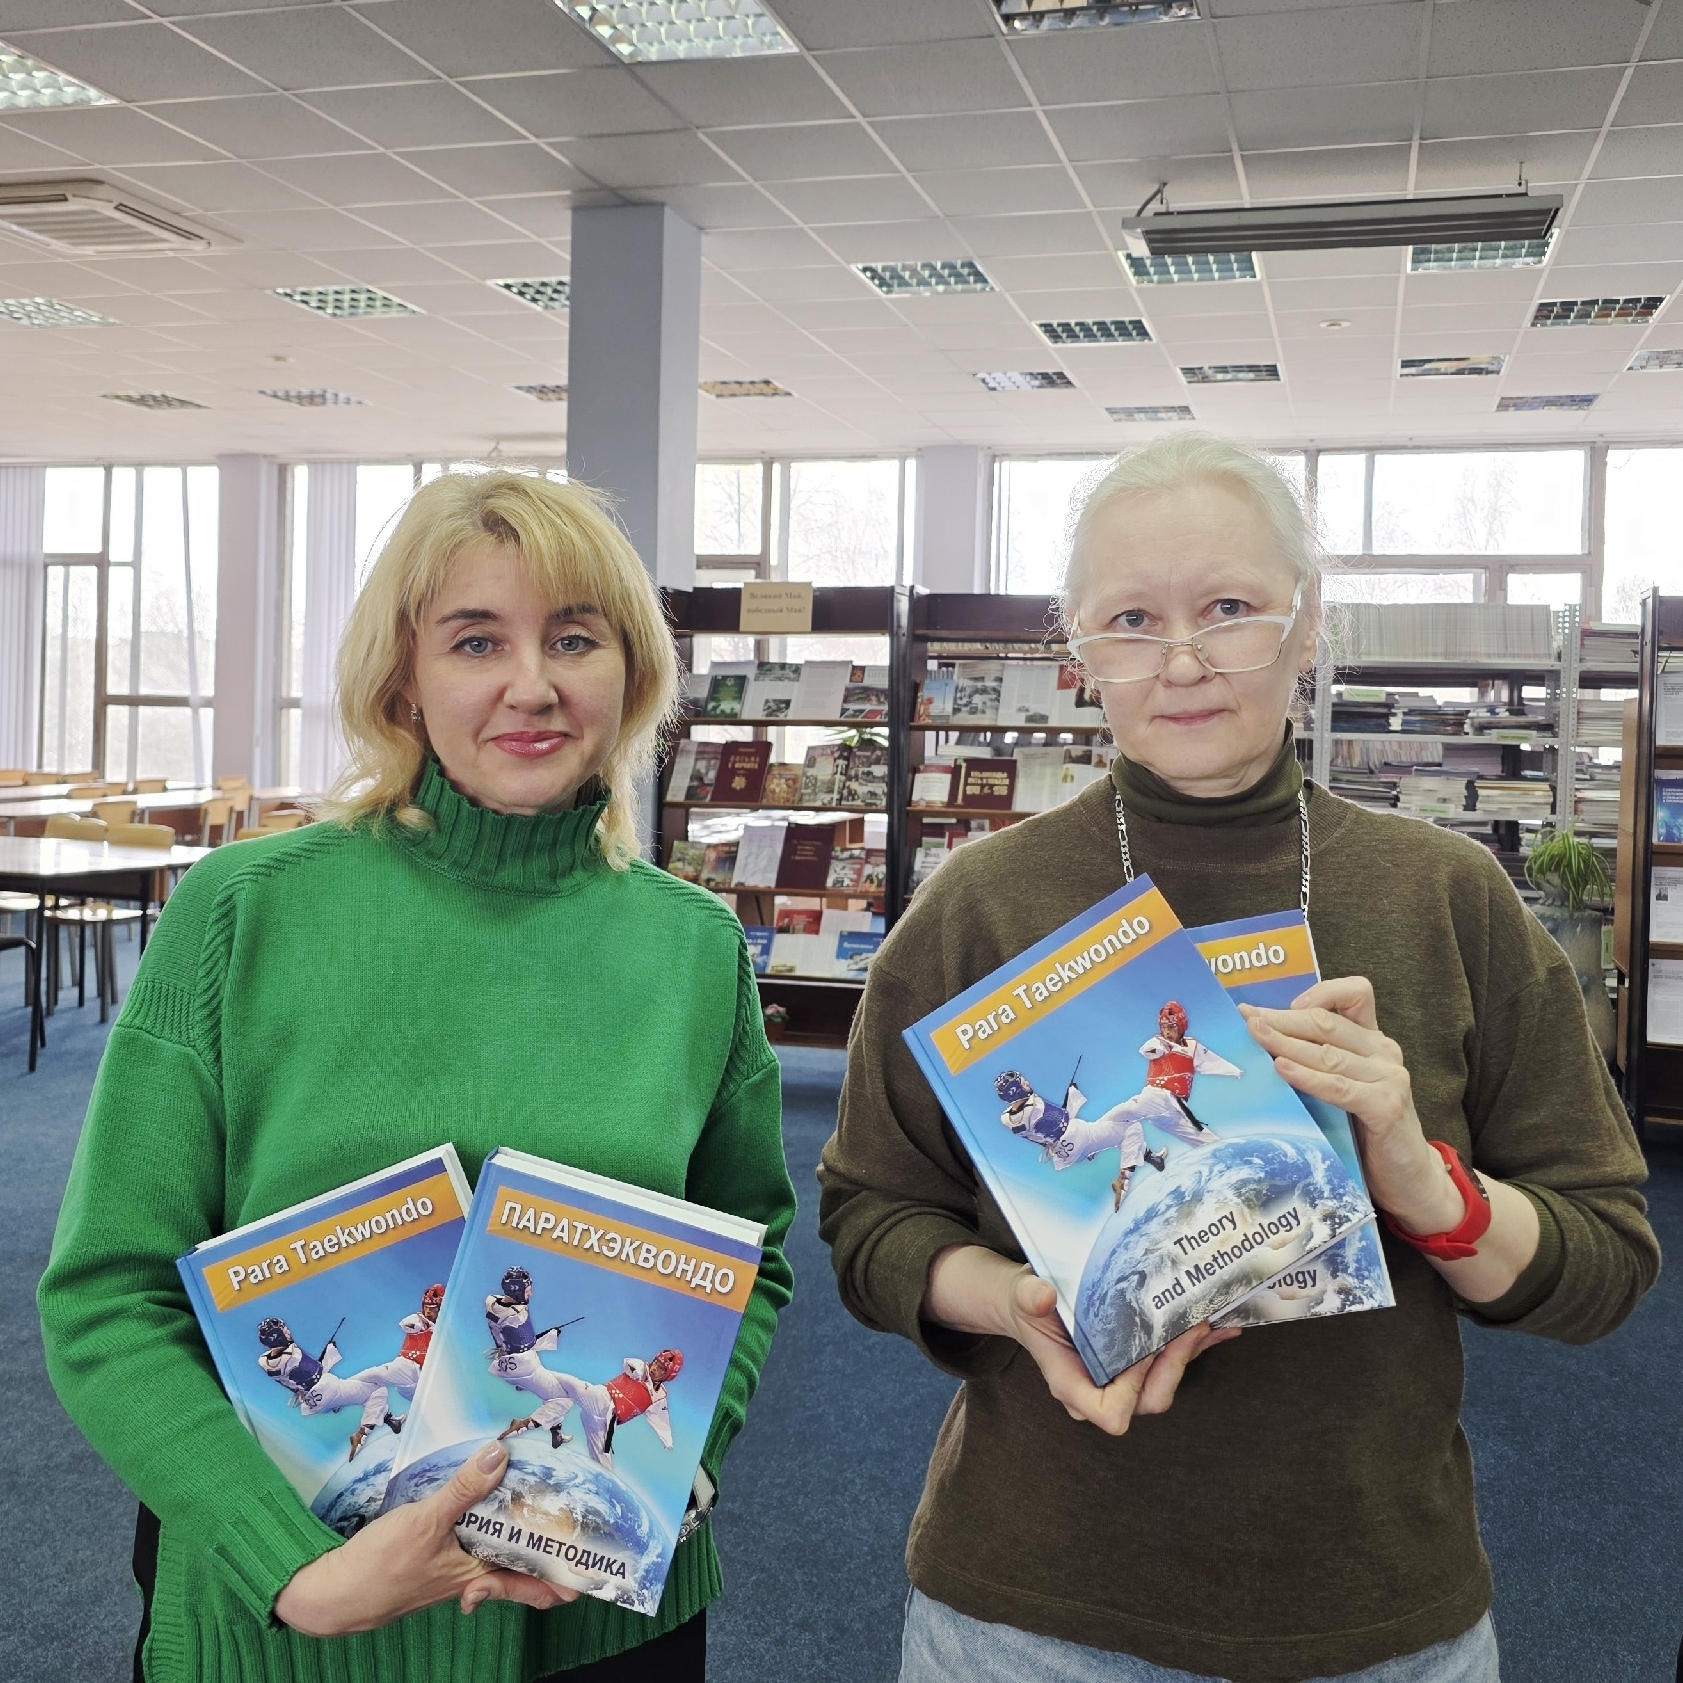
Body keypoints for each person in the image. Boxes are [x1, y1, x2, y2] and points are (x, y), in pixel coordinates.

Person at [818, 433, 1658, 1683]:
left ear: (1306, 625)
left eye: (1228, 609)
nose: (1184, 662)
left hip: (1378, 1612)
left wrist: (1424, 1184)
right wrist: (1019, 1308)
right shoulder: (978, 906)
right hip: (1031, 1613)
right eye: (1131, 620)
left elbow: (1607, 1263)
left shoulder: (1448, 898)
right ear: (1079, 654)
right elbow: (869, 1219)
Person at [39, 470, 796, 1683]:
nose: (531, 685)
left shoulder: (694, 948)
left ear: (632, 673)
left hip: (597, 1620)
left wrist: (682, 1450)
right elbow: (107, 1298)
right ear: (404, 676)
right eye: (476, 640)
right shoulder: (242, 914)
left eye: (574, 639)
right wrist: (294, 1570)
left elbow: (749, 1253)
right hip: (296, 1621)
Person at [501, 1349, 683, 1466]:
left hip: (604, 1421)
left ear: (668, 1376)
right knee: (571, 1385)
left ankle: (526, 1417)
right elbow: (630, 1365)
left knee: (602, 1465)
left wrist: (667, 1442)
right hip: (602, 1398)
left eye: (661, 1369)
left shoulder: (659, 1397)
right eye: (656, 1363)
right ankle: (528, 1382)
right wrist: (639, 1373)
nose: (655, 1368)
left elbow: (661, 1420)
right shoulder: (641, 1367)